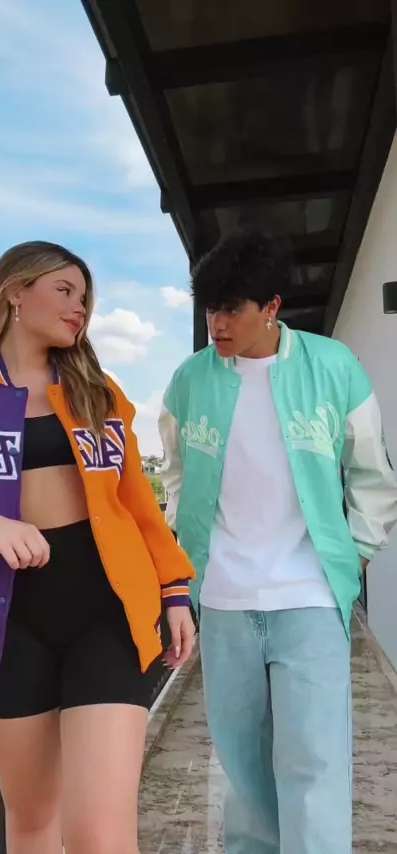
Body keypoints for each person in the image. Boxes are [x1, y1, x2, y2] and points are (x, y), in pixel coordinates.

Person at [0, 240, 196, 854]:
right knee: (34, 822)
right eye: (65, 290)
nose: (80, 308)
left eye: (85, 297)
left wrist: (174, 590)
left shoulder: (100, 392)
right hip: (7, 623)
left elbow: (138, 504)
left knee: (100, 835)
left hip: (109, 612)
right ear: (15, 291)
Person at [158, 228, 397, 854]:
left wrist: (357, 551)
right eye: (209, 309)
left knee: (314, 765)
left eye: (232, 309)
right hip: (225, 600)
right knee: (242, 770)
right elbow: (174, 472)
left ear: (271, 307)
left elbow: (373, 473)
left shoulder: (333, 367)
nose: (217, 324)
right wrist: (188, 554)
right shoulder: (190, 380)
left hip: (309, 597)